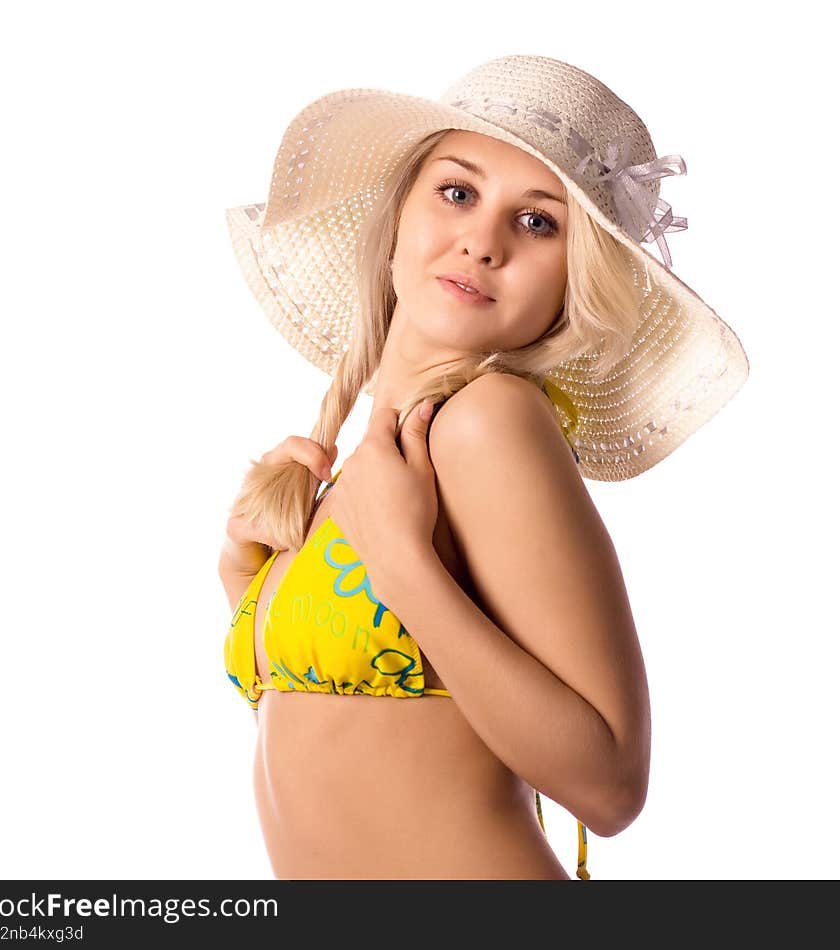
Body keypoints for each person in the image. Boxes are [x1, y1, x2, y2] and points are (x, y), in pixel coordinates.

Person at [219, 54, 749, 880]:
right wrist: (246, 589)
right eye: (458, 192)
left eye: (538, 222)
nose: (482, 241)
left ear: (572, 285)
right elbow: (358, 750)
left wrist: (400, 563)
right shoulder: (377, 464)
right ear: (398, 216)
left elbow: (610, 788)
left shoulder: (488, 423)